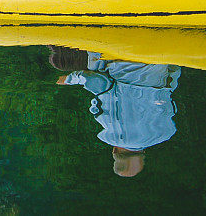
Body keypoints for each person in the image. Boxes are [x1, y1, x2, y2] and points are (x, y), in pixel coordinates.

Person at [50, 46, 180, 177]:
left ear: (143, 152)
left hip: (158, 60)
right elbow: (100, 83)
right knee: (61, 63)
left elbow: (171, 80)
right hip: (120, 56)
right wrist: (70, 79)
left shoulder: (164, 130)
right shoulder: (112, 130)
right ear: (114, 151)